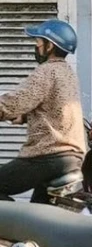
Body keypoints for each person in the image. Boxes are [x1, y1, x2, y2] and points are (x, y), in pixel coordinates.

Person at [0, 20, 85, 202]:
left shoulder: (47, 71)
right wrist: (24, 117)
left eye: (38, 42)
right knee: (38, 215)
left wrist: (6, 110)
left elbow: (15, 102)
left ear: (50, 45)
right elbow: (54, 108)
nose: (35, 46)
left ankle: (10, 224)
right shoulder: (68, 72)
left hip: (47, 155)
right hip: (70, 158)